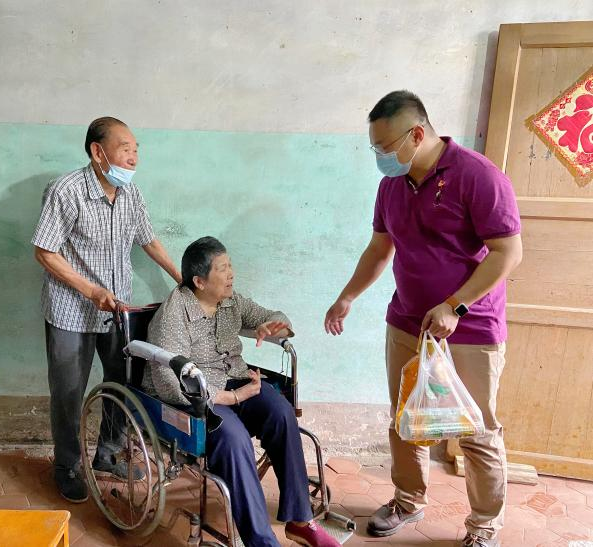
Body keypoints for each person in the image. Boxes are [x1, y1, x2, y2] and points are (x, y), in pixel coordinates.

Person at [324, 91, 522, 547]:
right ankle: (407, 500)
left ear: (417, 134)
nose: (380, 157)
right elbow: (380, 248)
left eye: (385, 146)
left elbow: (508, 252)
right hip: (407, 322)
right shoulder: (392, 186)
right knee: (406, 418)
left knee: (476, 428)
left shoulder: (478, 176)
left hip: (470, 328)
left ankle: (483, 526)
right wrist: (347, 296)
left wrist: (456, 305)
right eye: (375, 148)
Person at [144, 236, 340, 547]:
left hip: (236, 378)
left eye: (230, 265)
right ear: (199, 281)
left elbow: (276, 316)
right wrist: (231, 398)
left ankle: (301, 521)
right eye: (222, 269)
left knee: (281, 413)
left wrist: (272, 325)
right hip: (196, 394)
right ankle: (262, 542)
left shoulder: (230, 302)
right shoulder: (174, 315)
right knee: (234, 439)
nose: (231, 274)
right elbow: (169, 381)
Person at [31, 116, 182, 503]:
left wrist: (182, 279)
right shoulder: (66, 191)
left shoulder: (130, 194)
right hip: (70, 311)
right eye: (125, 149)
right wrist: (90, 290)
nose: (133, 158)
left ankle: (107, 454)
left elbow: (148, 240)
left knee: (124, 382)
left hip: (118, 311)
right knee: (69, 391)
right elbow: (45, 251)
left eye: (136, 150)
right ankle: (67, 465)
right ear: (98, 152)